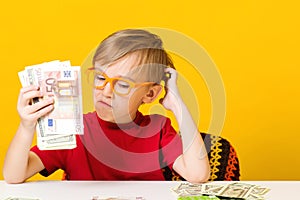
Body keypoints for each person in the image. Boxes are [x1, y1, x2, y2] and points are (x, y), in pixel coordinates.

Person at [3, 29, 210, 183]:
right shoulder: (74, 130)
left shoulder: (157, 129)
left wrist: (177, 104)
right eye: (100, 77)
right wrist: (26, 126)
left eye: (122, 84)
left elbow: (198, 174)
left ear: (149, 94)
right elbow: (13, 176)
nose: (106, 91)